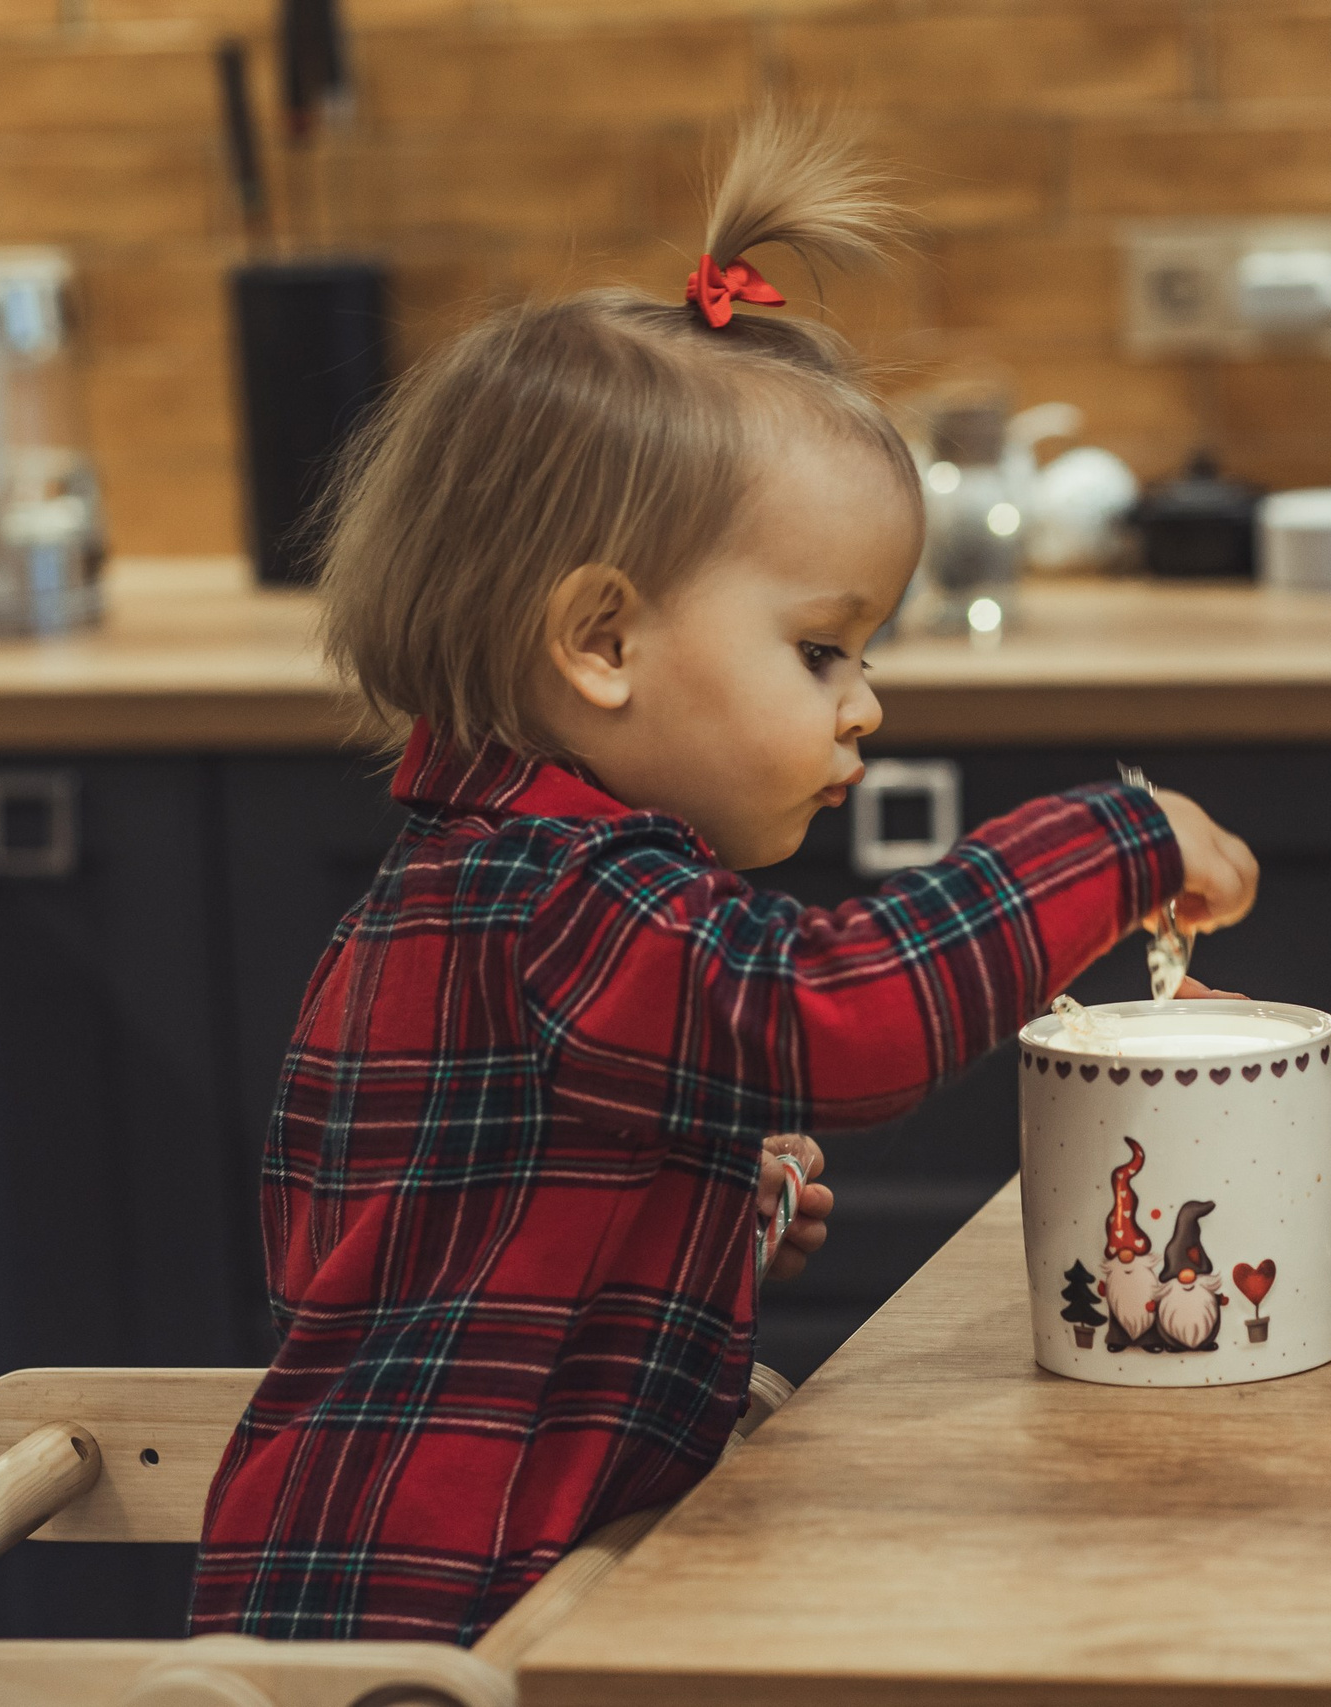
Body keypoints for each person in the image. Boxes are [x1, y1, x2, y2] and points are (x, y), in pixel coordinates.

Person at [186, 113, 1259, 1644]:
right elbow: (844, 1015)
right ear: (602, 641)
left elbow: (462, 1240)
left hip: (459, 1585)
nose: (864, 702)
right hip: (427, 1619)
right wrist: (1120, 833)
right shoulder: (564, 899)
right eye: (821, 648)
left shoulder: (482, 883)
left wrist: (687, 1201)